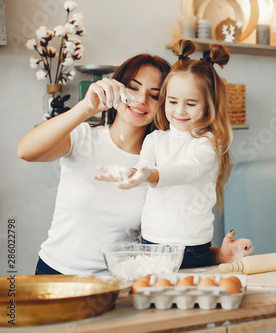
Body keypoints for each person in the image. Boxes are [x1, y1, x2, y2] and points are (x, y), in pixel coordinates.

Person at [18, 53, 251, 275]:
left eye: (154, 94)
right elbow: (26, 151)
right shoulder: (84, 137)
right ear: (118, 87)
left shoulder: (165, 159)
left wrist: (218, 255)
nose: (141, 99)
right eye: (133, 87)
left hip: (116, 282)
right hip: (56, 273)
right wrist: (85, 108)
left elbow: (167, 244)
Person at [95, 39, 252, 269]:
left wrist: (149, 174)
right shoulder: (155, 138)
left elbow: (188, 171)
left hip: (191, 248)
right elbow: (143, 167)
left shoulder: (208, 143)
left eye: (190, 103)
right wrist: (131, 173)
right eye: (172, 101)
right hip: (151, 243)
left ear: (208, 105)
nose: (179, 110)